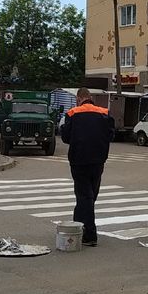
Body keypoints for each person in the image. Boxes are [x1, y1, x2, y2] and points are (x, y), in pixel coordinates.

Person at [60, 88, 115, 247]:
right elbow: (111, 135)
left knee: (84, 195)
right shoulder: (104, 112)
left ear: (79, 99)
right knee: (90, 194)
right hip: (98, 160)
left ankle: (90, 234)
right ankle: (78, 225)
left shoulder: (72, 113)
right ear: (90, 98)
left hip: (79, 160)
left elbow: (66, 137)